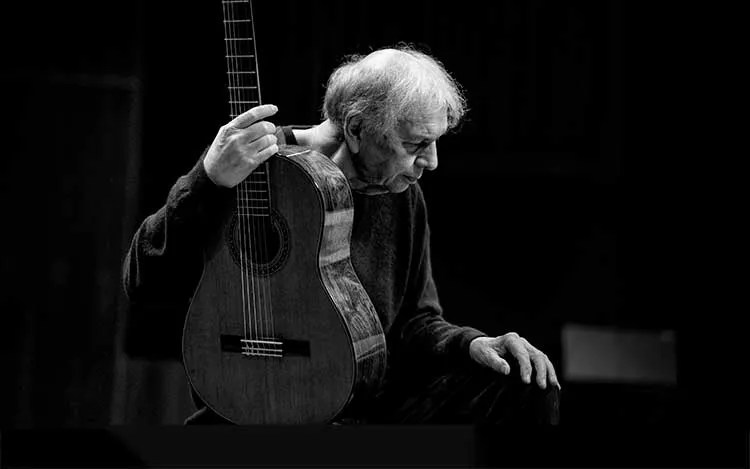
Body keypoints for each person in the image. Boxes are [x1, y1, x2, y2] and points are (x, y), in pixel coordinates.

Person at [122, 45, 560, 425]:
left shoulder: (402, 192)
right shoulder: (249, 165)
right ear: (355, 129)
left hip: (365, 403)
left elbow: (417, 321)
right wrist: (208, 179)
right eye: (415, 145)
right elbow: (142, 280)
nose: (432, 162)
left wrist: (473, 344)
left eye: (435, 142)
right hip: (255, 405)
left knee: (524, 387)